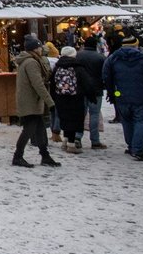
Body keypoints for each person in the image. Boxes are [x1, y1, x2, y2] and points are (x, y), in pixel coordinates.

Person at [102, 33, 143, 161]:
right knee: (140, 121)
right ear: (136, 45)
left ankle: (131, 145)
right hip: (141, 95)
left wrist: (112, 93)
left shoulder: (113, 58)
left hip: (120, 94)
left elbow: (106, 76)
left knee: (126, 121)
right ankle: (137, 149)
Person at [13, 35, 60, 168]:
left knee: (39, 129)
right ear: (35, 49)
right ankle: (18, 156)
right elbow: (38, 84)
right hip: (31, 102)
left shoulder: (28, 60)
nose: (41, 49)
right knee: (28, 130)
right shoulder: (32, 62)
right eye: (39, 47)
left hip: (31, 101)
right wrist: (50, 102)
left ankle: (45, 156)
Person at [51, 45, 97, 154]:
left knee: (65, 119)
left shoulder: (57, 67)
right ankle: (71, 144)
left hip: (60, 98)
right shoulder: (78, 67)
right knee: (75, 120)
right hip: (76, 98)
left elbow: (52, 84)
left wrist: (53, 97)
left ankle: (65, 140)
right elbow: (87, 83)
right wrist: (92, 96)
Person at [76, 36, 107, 149]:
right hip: (96, 89)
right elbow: (105, 73)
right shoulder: (100, 57)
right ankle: (95, 140)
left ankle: (77, 137)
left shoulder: (78, 55)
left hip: (81, 88)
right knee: (94, 114)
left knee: (80, 113)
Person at [44, 41, 62, 142]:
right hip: (58, 88)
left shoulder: (44, 61)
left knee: (51, 110)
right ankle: (56, 132)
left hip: (48, 88)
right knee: (57, 110)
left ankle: (53, 131)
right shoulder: (58, 61)